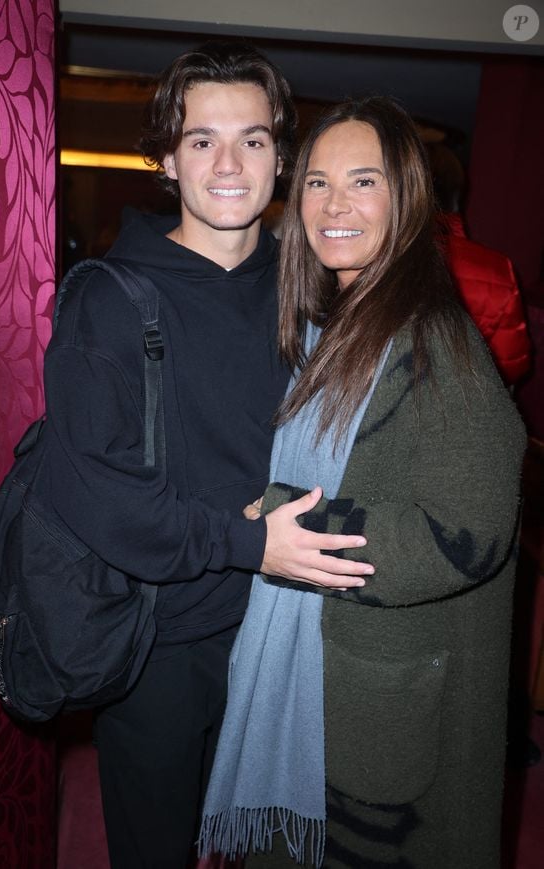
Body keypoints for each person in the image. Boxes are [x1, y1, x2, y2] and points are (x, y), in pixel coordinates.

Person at [45, 43, 372, 869]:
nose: (229, 164)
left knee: (274, 849)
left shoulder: (308, 289)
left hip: (283, 627)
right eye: (201, 140)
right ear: (165, 156)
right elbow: (95, 492)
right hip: (160, 641)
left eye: (254, 140)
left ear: (280, 157)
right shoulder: (108, 299)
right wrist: (251, 543)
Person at [198, 97, 526, 869]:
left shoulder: (436, 340)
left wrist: (288, 524)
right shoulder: (334, 319)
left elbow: (465, 533)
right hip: (328, 677)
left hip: (382, 706)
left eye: (363, 181)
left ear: (406, 197)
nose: (334, 205)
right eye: (316, 182)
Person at [425, 140, 531, 386]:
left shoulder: (365, 254)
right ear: (457, 194)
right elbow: (512, 367)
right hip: (462, 408)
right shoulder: (496, 269)